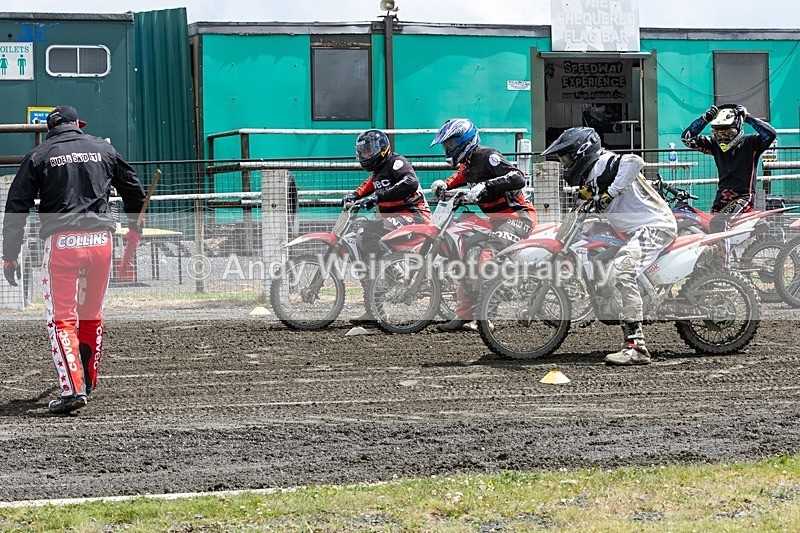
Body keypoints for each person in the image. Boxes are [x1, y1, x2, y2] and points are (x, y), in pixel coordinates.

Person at [2, 106, 146, 414]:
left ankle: (72, 390)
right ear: (76, 125)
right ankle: (88, 380)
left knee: (62, 319)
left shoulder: (39, 156)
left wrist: (10, 255)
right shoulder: (103, 148)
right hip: (101, 242)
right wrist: (135, 224)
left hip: (62, 243)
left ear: (51, 128)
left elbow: (16, 206)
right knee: (91, 313)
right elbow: (133, 188)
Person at [542, 127, 677, 365]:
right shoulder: (590, 177)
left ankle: (637, 347)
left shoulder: (604, 162)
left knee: (623, 270)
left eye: (566, 159)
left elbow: (634, 161)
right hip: (629, 230)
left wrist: (611, 193)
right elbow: (586, 200)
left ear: (581, 153)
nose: (565, 165)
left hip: (654, 226)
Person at [429, 118, 537, 332]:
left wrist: (487, 185)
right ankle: (464, 315)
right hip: (495, 221)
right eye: (445, 145)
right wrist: (444, 185)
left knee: (489, 257)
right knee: (465, 253)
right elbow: (458, 178)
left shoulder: (488, 156)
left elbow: (518, 177)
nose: (447, 149)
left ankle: (487, 317)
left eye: (450, 144)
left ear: (464, 141)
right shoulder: (467, 165)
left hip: (518, 217)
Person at [343, 129, 431, 324]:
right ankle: (374, 310)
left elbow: (410, 181)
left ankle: (396, 268)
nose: (366, 155)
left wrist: (377, 197)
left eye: (369, 150)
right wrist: (355, 195)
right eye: (363, 152)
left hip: (413, 216)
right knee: (356, 243)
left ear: (382, 149)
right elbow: (371, 184)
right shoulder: (378, 172)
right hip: (392, 220)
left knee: (367, 235)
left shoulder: (397, 162)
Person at [681, 104, 777, 230]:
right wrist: (705, 118)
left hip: (743, 197)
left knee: (718, 223)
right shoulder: (714, 144)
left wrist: (748, 117)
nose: (722, 137)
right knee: (707, 228)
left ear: (737, 128)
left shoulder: (751, 143)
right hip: (721, 196)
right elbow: (687, 139)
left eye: (727, 133)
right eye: (718, 133)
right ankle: (722, 250)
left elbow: (771, 134)